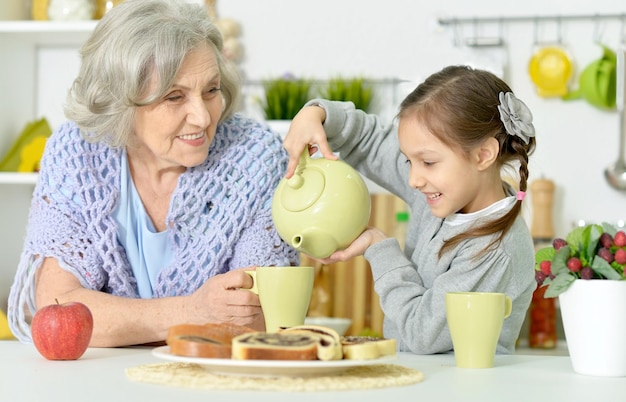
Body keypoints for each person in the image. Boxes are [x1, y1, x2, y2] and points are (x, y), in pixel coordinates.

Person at [8, 0, 298, 347]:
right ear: (120, 101)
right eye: (175, 96)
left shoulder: (255, 158)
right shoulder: (77, 153)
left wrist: (120, 319)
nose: (203, 118)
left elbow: (257, 317)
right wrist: (192, 311)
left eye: (211, 90)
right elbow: (58, 305)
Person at [282, 65, 537, 354]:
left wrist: (379, 248)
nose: (414, 179)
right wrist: (317, 114)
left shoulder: (494, 251)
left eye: (427, 162)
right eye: (408, 161)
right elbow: (369, 140)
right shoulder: (444, 193)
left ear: (483, 155)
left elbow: (423, 335)